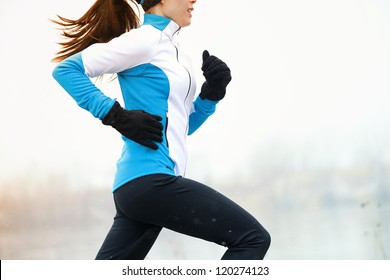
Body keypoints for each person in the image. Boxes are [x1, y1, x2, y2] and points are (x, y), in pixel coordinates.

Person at [52, 0, 270, 260]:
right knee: (252, 239)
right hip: (150, 181)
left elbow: (180, 128)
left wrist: (211, 94)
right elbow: (66, 70)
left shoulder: (175, 53)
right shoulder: (144, 41)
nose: (194, 1)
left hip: (138, 189)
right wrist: (114, 114)